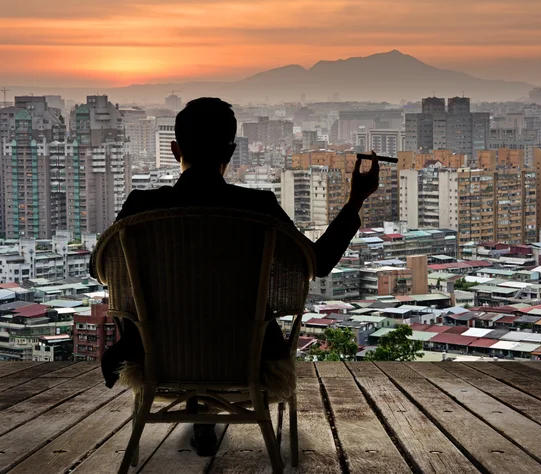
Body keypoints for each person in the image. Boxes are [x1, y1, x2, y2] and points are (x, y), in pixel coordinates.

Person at [95, 97, 379, 456]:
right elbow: (316, 264)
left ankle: (199, 414)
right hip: (248, 354)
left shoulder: (140, 207)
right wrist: (355, 200)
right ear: (230, 150)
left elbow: (100, 269)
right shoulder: (257, 207)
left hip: (158, 356)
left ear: (174, 149)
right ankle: (207, 417)